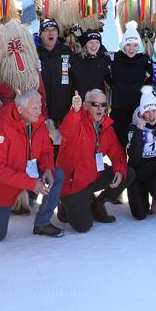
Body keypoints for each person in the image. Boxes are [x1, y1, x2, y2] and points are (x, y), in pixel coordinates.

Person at [0, 89, 65, 241]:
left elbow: (47, 151)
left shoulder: (39, 124)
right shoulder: (0, 128)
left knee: (58, 174)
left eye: (40, 107)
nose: (39, 112)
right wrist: (31, 183)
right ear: (20, 110)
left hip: (27, 172)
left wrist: (48, 170)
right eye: (34, 108)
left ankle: (42, 223)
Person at [56, 89, 132, 233]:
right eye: (96, 104)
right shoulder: (77, 121)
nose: (100, 109)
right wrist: (74, 111)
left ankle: (98, 203)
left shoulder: (106, 126)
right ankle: (63, 203)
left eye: (103, 105)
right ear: (85, 106)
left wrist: (120, 171)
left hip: (93, 175)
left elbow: (117, 152)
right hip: (74, 184)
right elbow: (66, 131)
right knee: (83, 226)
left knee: (129, 173)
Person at [126, 87, 156, 220]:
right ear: (141, 113)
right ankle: (142, 193)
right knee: (139, 215)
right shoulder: (133, 128)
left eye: (154, 110)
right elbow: (134, 157)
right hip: (138, 174)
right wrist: (139, 130)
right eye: (147, 111)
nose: (151, 115)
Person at [108, 21, 151, 146]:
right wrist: (114, 84)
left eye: (135, 45)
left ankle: (135, 166)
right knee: (118, 143)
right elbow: (103, 72)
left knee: (137, 143)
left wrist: (144, 89)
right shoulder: (115, 58)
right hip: (119, 110)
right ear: (123, 45)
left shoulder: (144, 60)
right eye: (128, 45)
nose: (131, 49)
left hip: (137, 110)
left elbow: (153, 76)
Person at [36, 19, 75, 126]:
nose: (51, 32)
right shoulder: (34, 52)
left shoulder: (66, 51)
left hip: (64, 110)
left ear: (58, 33)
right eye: (46, 30)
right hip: (41, 111)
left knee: (64, 141)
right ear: (40, 34)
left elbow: (77, 76)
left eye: (53, 30)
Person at [71, 28, 112, 103]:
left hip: (97, 106)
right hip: (79, 105)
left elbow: (112, 82)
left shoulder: (103, 60)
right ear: (85, 45)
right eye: (90, 42)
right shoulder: (74, 59)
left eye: (97, 42)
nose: (94, 46)